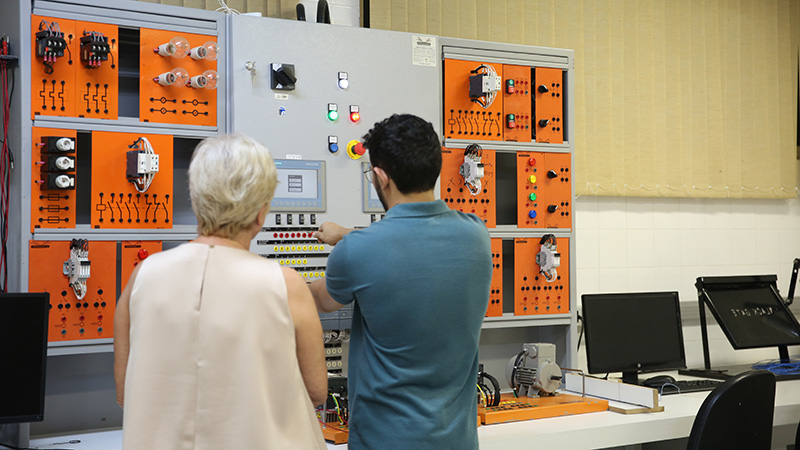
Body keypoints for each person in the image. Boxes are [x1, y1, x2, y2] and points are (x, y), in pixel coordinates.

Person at [114, 134, 327, 450]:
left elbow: (125, 392)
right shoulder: (286, 285)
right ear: (260, 213)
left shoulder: (143, 276)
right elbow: (316, 391)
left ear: (196, 201)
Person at [309, 114, 492, 450]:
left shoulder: (357, 251)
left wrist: (268, 277)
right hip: (458, 441)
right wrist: (349, 234)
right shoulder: (477, 235)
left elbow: (320, 300)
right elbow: (411, 239)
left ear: (381, 177)